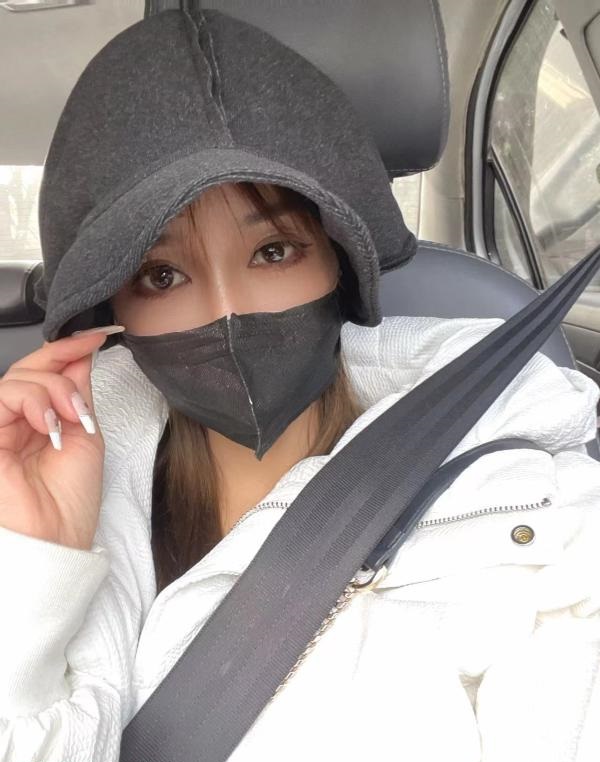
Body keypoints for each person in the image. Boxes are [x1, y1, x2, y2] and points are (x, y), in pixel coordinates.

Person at [1, 6, 599, 762]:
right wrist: (36, 560)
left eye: (274, 251)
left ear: (338, 262)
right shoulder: (89, 493)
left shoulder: (525, 488)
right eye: (162, 275)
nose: (227, 312)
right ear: (111, 308)